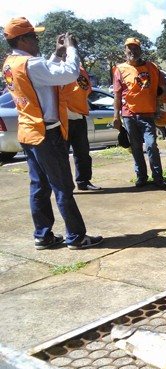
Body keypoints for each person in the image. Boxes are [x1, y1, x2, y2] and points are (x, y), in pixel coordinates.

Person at [2, 17, 103, 250]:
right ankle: (76, 237)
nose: (37, 41)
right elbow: (67, 74)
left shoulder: (11, 63)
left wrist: (57, 54)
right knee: (63, 187)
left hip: (29, 131)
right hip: (46, 133)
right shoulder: (32, 64)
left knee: (39, 186)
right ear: (24, 39)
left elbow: (44, 75)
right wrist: (71, 50)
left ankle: (43, 235)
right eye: (34, 37)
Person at [113, 37, 166, 188]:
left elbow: (165, 87)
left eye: (135, 48)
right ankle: (141, 176)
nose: (132, 51)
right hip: (129, 115)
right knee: (135, 147)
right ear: (125, 51)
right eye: (129, 48)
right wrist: (116, 116)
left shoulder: (152, 67)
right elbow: (117, 94)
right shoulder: (119, 70)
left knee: (151, 145)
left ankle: (158, 177)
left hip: (148, 114)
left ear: (140, 50)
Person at [61, 57, 102, 191]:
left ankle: (84, 181)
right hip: (63, 118)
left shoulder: (80, 70)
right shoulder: (57, 68)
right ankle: (64, 185)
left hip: (79, 117)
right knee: (62, 155)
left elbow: (86, 89)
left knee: (83, 152)